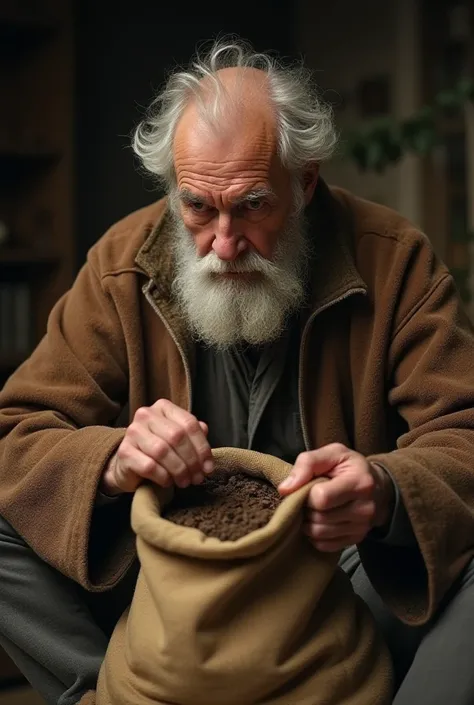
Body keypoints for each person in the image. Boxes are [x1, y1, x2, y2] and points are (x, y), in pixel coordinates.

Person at [1, 38, 474, 705]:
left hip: (338, 590)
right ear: (173, 190)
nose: (224, 244)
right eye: (197, 206)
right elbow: (15, 432)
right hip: (166, 593)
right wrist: (110, 459)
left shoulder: (396, 261)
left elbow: (465, 431)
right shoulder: (120, 264)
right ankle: (105, 695)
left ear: (304, 183)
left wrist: (387, 489)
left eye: (253, 205)